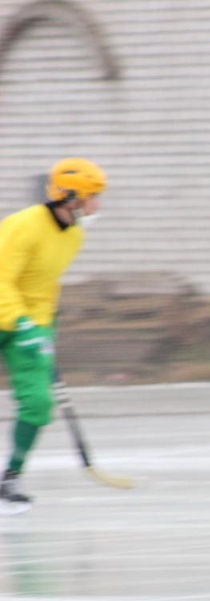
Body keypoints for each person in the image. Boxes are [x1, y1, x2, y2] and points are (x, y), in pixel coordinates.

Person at [0, 158, 107, 512]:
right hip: (12, 315)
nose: (98, 205)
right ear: (70, 197)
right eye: (93, 196)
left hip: (26, 326)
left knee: (38, 403)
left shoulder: (74, 236)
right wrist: (22, 321)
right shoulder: (23, 226)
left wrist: (46, 329)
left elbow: (45, 286)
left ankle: (10, 477)